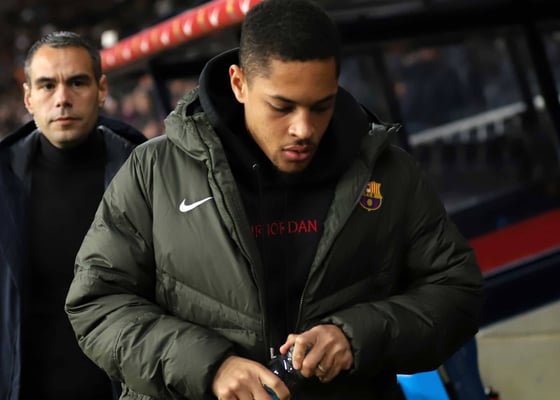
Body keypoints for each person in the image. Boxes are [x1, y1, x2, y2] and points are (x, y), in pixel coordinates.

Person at [65, 1, 484, 399]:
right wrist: (211, 367)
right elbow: (97, 304)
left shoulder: (389, 173)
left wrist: (356, 335)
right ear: (239, 83)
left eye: (321, 106)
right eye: (282, 107)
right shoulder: (153, 172)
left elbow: (457, 291)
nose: (304, 129)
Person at [0, 31, 145, 400]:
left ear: (101, 89)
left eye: (77, 83)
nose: (62, 98)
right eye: (47, 85)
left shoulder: (147, 175)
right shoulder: (4, 182)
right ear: (28, 98)